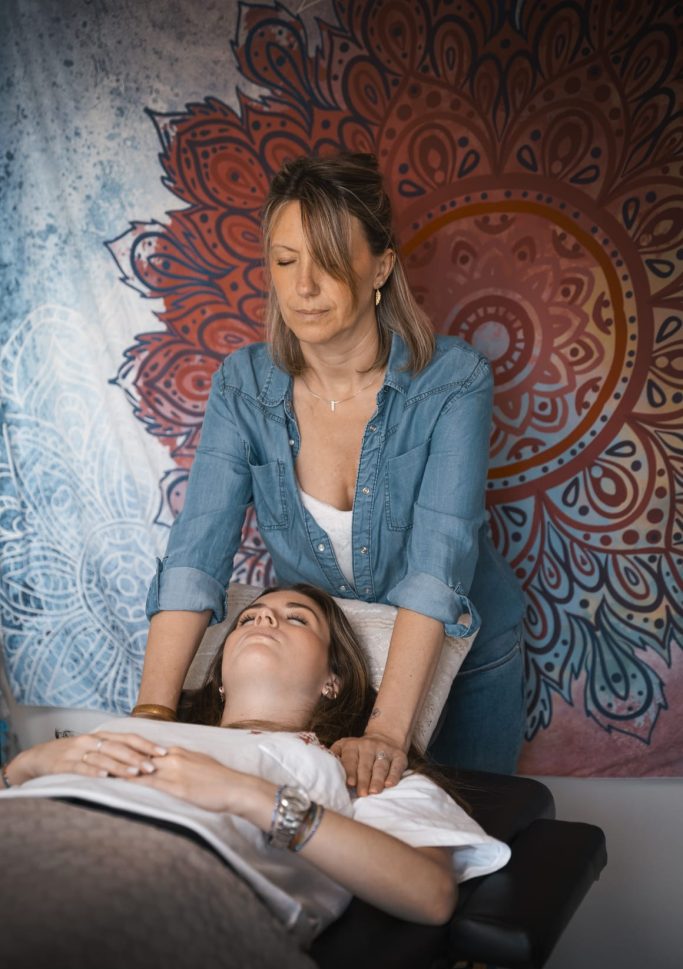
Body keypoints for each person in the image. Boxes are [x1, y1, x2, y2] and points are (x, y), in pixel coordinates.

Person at [136, 151, 527, 787]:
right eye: (286, 262)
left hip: (461, 651)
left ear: (382, 266)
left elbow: (436, 566)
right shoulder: (242, 386)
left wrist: (385, 732)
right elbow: (194, 559)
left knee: (471, 837)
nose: (304, 287)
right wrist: (152, 716)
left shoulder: (453, 380)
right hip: (332, 668)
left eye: (331, 262)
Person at [0, 585, 509, 969]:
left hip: (145, 884)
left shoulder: (359, 771)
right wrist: (29, 766)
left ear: (333, 679)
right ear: (218, 676)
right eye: (249, 617)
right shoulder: (139, 727)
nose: (265, 617)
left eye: (296, 618)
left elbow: (429, 893)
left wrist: (245, 795)